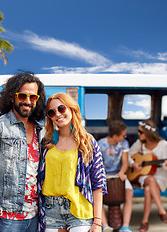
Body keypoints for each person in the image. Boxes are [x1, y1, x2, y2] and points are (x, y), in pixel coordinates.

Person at [0, 72, 46, 232]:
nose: (28, 101)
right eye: (22, 96)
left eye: (33, 97)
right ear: (12, 97)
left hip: (35, 215)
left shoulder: (40, 130)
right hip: (6, 217)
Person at [38, 92, 107, 232]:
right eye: (52, 112)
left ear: (71, 108)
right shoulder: (46, 143)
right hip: (51, 210)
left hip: (80, 209)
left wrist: (98, 222)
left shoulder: (88, 142)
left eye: (61, 108)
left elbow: (98, 182)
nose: (57, 114)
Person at [128, 120, 167, 232]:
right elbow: (128, 155)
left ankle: (144, 221)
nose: (138, 134)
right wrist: (134, 164)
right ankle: (162, 211)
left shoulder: (163, 144)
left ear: (148, 133)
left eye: (140, 132)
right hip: (145, 176)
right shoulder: (140, 143)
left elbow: (165, 167)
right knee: (150, 179)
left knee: (148, 190)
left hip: (161, 176)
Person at [98, 120, 134, 232]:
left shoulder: (124, 143)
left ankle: (125, 225)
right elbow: (97, 164)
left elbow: (124, 163)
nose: (125, 136)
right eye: (123, 135)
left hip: (119, 174)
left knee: (129, 191)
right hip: (103, 175)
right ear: (115, 136)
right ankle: (105, 225)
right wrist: (104, 176)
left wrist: (121, 173)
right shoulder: (100, 144)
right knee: (97, 193)